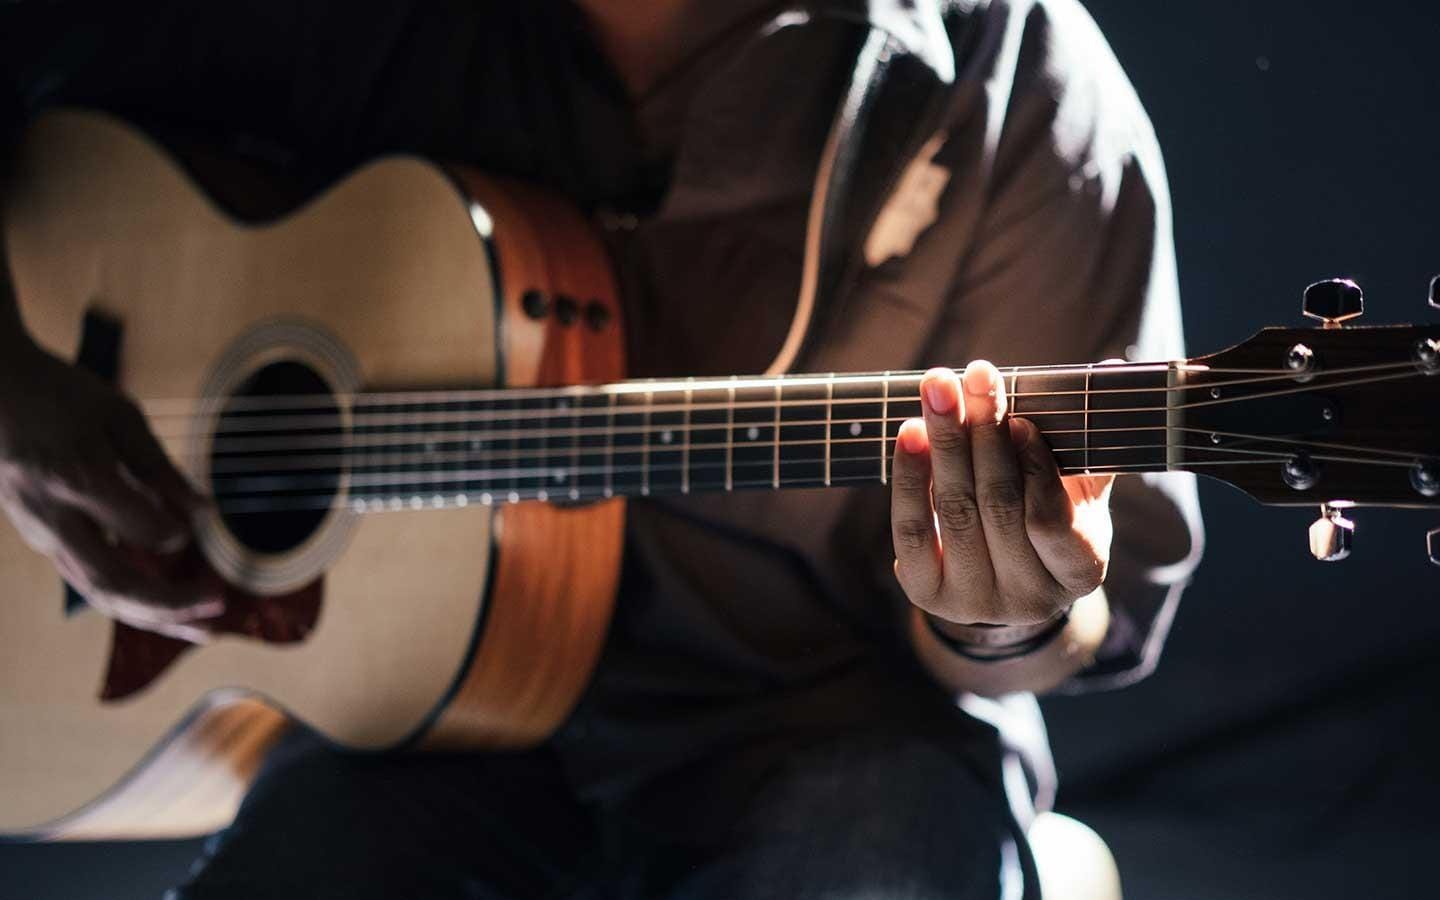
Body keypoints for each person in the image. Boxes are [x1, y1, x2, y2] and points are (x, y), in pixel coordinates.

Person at [0, 1, 1202, 897]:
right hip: (409, 736)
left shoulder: (1023, 81)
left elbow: (1078, 618)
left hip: (832, 726)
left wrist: (1006, 611)